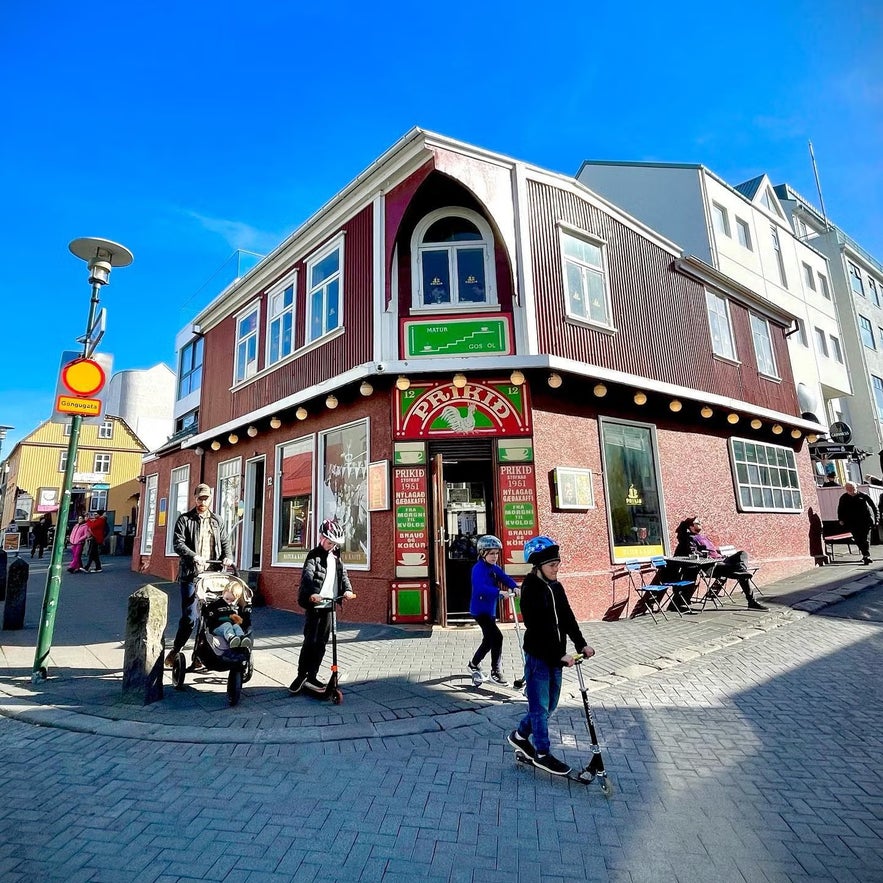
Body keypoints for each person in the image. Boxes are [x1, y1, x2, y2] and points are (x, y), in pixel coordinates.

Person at [506, 535, 594, 776]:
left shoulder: (556, 586)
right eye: (552, 565)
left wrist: (581, 644)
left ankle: (519, 736)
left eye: (558, 564)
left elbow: (567, 617)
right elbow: (538, 627)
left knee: (549, 705)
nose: (556, 569)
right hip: (538, 657)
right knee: (539, 707)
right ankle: (542, 754)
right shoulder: (531, 589)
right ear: (538, 565)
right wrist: (559, 655)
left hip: (556, 656)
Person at [166, 484, 232, 668]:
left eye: (206, 498)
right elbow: (178, 543)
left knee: (210, 617)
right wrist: (194, 556)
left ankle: (199, 656)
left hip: (212, 576)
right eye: (199, 498)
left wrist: (228, 557)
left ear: (211, 499)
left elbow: (225, 542)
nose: (203, 502)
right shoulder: (185, 519)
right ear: (194, 498)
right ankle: (176, 650)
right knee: (190, 617)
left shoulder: (217, 520)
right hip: (191, 575)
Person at [288, 519, 355, 695]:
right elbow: (308, 576)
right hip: (315, 604)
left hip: (329, 604)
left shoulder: (336, 557)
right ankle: (302, 675)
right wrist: (311, 594)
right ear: (321, 538)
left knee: (322, 642)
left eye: (334, 544)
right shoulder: (314, 556)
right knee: (310, 640)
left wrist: (347, 590)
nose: (332, 546)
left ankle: (313, 674)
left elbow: (343, 575)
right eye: (329, 542)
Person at [674, 516, 767, 610]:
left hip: (722, 560)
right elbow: (693, 553)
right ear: (691, 526)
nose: (700, 524)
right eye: (697, 523)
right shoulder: (689, 538)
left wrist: (720, 554)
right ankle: (751, 601)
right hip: (712, 565)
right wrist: (707, 555)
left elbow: (713, 550)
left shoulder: (703, 537)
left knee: (742, 554)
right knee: (743, 575)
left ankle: (741, 570)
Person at [467, 535, 519, 686]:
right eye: (491, 553)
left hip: (490, 610)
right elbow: (480, 588)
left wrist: (514, 586)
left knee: (489, 639)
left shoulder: (494, 568)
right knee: (497, 637)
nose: (495, 556)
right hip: (480, 610)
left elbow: (504, 577)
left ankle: (473, 664)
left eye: (496, 553)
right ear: (482, 553)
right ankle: (495, 672)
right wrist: (498, 592)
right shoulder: (478, 569)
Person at [837, 481, 879, 565]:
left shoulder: (863, 496)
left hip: (866, 521)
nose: (851, 490)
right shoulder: (844, 498)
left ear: (856, 487)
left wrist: (876, 519)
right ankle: (865, 555)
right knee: (858, 539)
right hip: (852, 522)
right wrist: (840, 519)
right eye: (848, 489)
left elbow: (874, 507)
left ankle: (866, 555)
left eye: (852, 488)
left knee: (865, 538)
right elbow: (840, 509)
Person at [204, 578, 253, 649]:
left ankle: (241, 638)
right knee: (227, 624)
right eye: (227, 599)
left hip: (231, 627)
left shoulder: (236, 608)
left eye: (232, 600)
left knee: (236, 626)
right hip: (217, 628)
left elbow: (242, 621)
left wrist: (245, 614)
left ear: (237, 599)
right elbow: (209, 613)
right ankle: (231, 638)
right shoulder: (216, 604)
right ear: (223, 593)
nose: (229, 602)